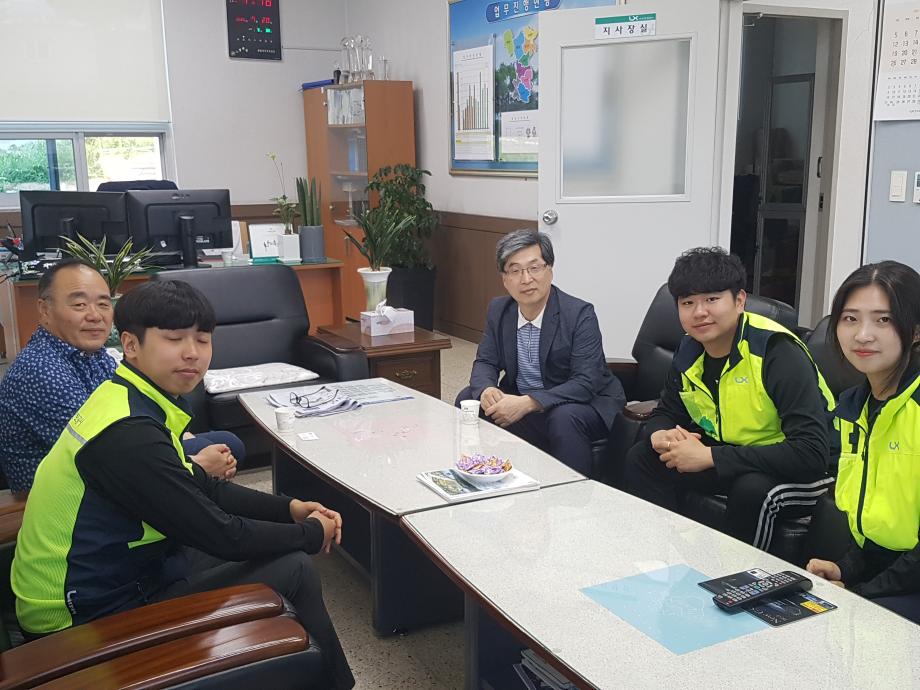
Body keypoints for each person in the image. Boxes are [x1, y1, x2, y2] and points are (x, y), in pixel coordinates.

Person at [11, 279, 354, 688]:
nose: (192, 352)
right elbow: (223, 536)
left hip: (120, 573)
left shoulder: (132, 398)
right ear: (131, 345)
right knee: (294, 567)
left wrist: (289, 508)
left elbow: (204, 486)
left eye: (203, 339)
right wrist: (311, 534)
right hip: (83, 616)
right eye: (174, 339)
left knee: (266, 552)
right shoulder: (129, 434)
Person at [624, 247, 836, 552]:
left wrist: (710, 457)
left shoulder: (777, 352)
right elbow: (668, 410)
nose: (699, 312)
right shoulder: (690, 349)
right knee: (643, 458)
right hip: (739, 454)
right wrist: (659, 434)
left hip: (808, 468)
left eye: (712, 299)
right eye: (688, 303)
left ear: (739, 300)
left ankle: (736, 574)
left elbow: (810, 453)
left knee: (752, 490)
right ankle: (667, 556)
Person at [0, 258, 241, 493]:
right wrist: (194, 465)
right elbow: (105, 450)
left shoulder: (92, 355)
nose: (95, 315)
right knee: (215, 454)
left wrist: (182, 442)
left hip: (114, 459)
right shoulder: (39, 370)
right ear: (45, 310)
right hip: (72, 489)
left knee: (226, 444)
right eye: (80, 305)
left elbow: (136, 407)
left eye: (104, 304)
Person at [805, 261, 920, 624]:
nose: (863, 335)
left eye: (883, 320)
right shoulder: (854, 408)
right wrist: (846, 569)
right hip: (896, 575)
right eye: (850, 319)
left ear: (916, 330)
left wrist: (860, 594)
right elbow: (879, 526)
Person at [463, 229, 625, 475]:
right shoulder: (499, 310)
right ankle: (487, 477)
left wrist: (529, 403)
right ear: (505, 279)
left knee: (563, 418)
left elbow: (585, 383)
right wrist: (487, 390)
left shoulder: (579, 314)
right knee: (469, 399)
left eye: (534, 268)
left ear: (550, 270)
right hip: (524, 398)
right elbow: (486, 361)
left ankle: (573, 492)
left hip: (580, 403)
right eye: (515, 270)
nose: (526, 279)